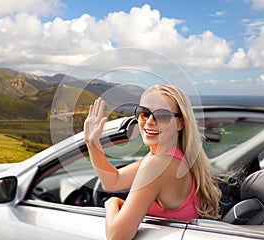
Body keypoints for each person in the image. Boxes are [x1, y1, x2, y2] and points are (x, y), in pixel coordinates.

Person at [84, 84, 222, 240]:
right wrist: (92, 143)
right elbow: (112, 181)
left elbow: (118, 236)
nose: (149, 121)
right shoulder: (170, 158)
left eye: (162, 115)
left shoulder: (158, 165)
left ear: (180, 123)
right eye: (144, 113)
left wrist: (111, 203)